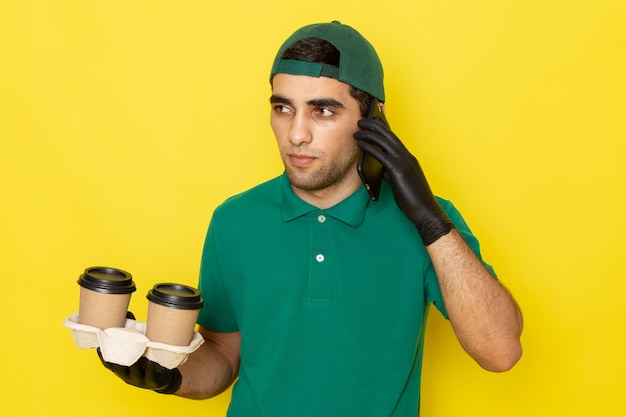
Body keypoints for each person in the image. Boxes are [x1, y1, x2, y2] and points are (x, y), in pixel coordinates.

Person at [98, 20, 523, 416]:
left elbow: (500, 351)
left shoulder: (429, 222)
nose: (296, 134)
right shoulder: (234, 220)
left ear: (373, 117)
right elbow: (224, 354)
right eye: (283, 108)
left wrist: (429, 220)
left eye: (322, 111)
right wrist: (169, 376)